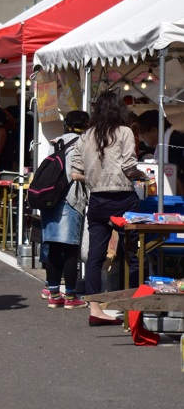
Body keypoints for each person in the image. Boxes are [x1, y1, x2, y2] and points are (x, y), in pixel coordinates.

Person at [71, 90, 148, 327]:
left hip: (97, 201)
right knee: (134, 254)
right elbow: (128, 167)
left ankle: (95, 309)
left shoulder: (86, 136)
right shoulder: (124, 132)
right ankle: (135, 307)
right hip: (124, 199)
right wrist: (142, 176)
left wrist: (98, 178)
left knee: (95, 256)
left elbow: (75, 172)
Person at [40, 110, 90, 309]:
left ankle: (53, 293)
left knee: (54, 247)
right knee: (70, 249)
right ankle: (70, 297)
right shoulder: (83, 143)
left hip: (51, 198)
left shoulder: (57, 142)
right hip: (71, 198)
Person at [137, 109, 184, 196]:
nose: (143, 139)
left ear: (154, 131)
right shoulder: (162, 145)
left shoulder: (177, 142)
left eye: (143, 135)